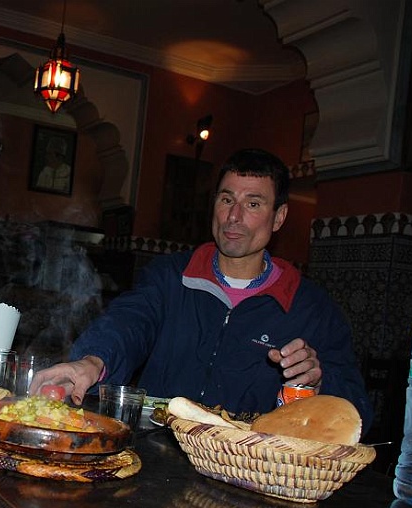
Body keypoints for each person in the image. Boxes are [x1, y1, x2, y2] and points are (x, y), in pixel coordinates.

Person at [29, 148, 374, 433]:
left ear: (279, 216)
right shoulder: (170, 275)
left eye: (253, 204)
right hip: (154, 456)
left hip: (249, 475)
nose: (234, 216)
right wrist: (92, 361)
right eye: (227, 199)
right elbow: (130, 320)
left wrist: (318, 384)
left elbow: (356, 413)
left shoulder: (310, 307)